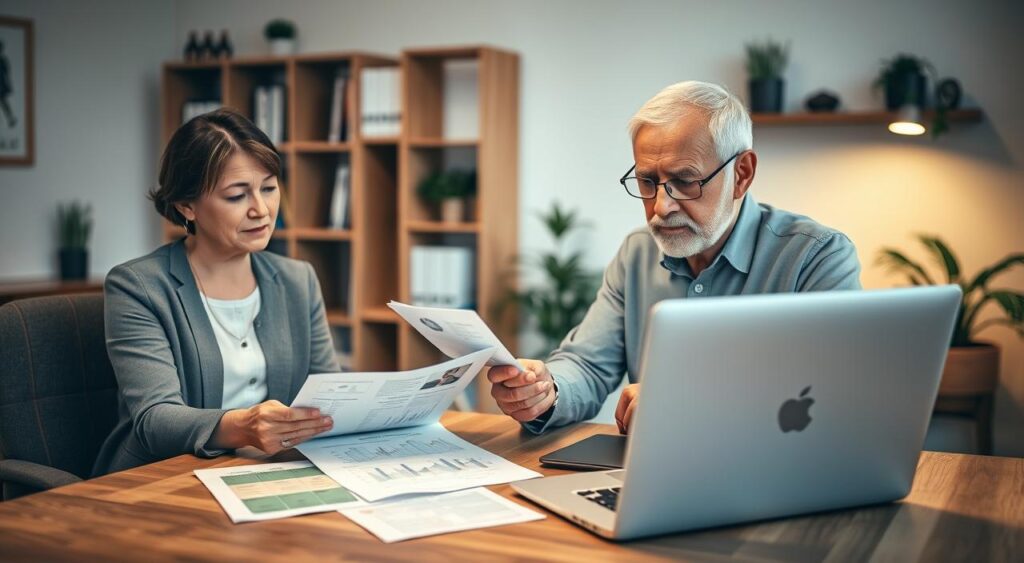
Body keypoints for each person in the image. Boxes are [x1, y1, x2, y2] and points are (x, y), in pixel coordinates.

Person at [487, 81, 861, 435]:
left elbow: (832, 396)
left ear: (742, 174)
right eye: (648, 181)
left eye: (685, 181)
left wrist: (684, 403)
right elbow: (588, 364)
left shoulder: (817, 257)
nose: (661, 208)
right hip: (654, 474)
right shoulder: (637, 253)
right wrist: (545, 390)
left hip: (773, 474)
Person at [93, 109, 337, 476]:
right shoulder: (138, 286)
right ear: (186, 205)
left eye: (269, 188)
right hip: (161, 479)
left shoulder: (297, 280)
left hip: (272, 472)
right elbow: (154, 420)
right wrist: (245, 427)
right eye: (237, 196)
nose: (262, 210)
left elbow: (326, 393)